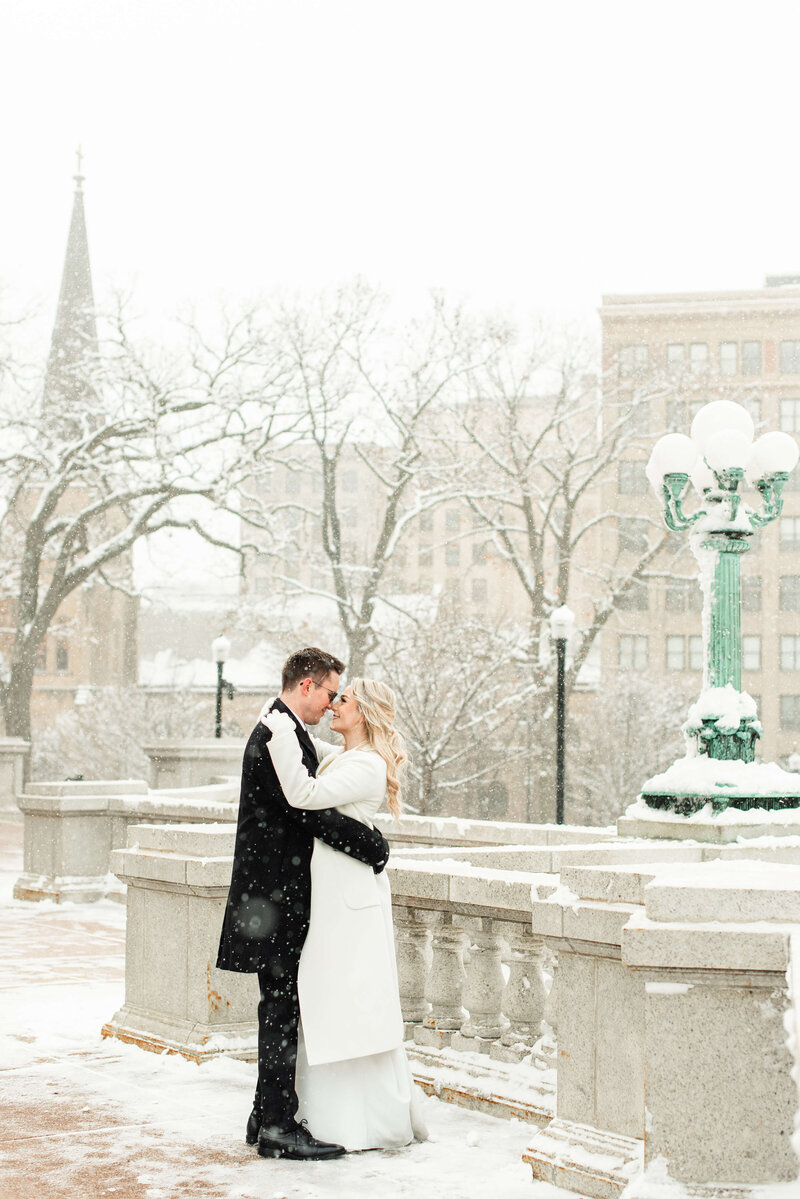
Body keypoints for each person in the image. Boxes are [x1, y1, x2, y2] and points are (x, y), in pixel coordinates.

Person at [216, 648, 391, 1162]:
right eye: (331, 692)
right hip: (272, 897)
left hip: (272, 894)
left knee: (280, 1006)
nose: (332, 703)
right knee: (281, 1010)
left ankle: (264, 1113)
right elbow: (303, 805)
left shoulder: (288, 731)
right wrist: (370, 843)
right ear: (308, 686)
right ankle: (276, 1125)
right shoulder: (277, 731)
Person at [262, 676, 428, 1151]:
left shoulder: (369, 765)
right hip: (333, 901)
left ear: (366, 712)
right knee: (333, 1004)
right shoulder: (347, 758)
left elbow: (307, 797)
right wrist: (286, 720)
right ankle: (331, 1116)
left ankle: (362, 1123)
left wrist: (276, 733)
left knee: (353, 1005)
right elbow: (313, 758)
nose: (334, 705)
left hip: (350, 905)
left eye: (343, 700)